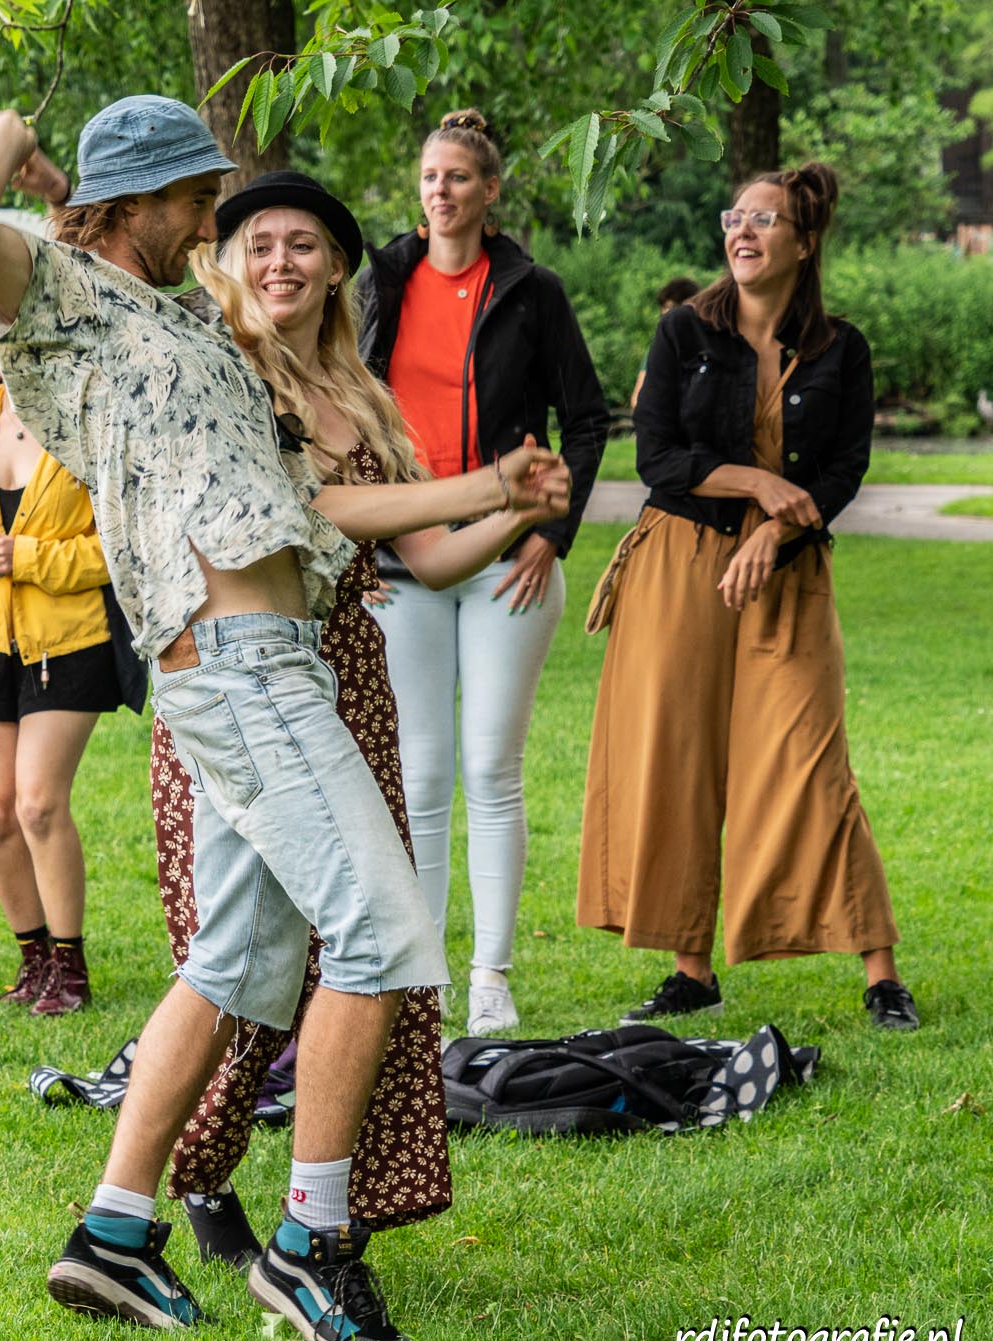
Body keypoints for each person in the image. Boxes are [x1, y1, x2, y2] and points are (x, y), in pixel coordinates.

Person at [0, 98, 568, 1341]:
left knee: (236, 964)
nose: (208, 218)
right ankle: (309, 1245)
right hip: (235, 664)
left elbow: (325, 501)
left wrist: (496, 489)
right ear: (138, 200)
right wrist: (18, 136)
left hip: (273, 659)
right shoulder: (60, 298)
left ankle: (113, 1231)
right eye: (192, 197)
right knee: (380, 930)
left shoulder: (174, 317)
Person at [152, 171, 571, 1265]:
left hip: (351, 683)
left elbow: (423, 555)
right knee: (253, 959)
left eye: (301, 244)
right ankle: (200, 1174)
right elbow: (310, 508)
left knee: (358, 950)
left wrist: (518, 512)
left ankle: (334, 1200)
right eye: (257, 244)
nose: (278, 262)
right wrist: (484, 485)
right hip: (248, 683)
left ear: (337, 267)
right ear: (228, 262)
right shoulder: (230, 376)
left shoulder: (359, 392)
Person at [576, 163, 920, 1033]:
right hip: (680, 562)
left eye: (764, 220)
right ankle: (691, 970)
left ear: (804, 244)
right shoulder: (683, 332)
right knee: (679, 758)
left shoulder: (841, 348)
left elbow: (843, 470)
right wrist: (759, 486)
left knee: (811, 760)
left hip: (788, 573)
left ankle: (881, 971)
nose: (743, 231)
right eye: (736, 217)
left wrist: (776, 530)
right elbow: (657, 458)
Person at [357, 110, 610, 1034]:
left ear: (490, 192)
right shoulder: (381, 281)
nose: (442, 190)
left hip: (510, 561)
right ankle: (422, 977)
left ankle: (490, 979)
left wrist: (554, 533)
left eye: (459, 177)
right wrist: (359, 545)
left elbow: (588, 418)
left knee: (492, 768)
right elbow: (345, 409)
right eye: (431, 176)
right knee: (420, 775)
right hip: (405, 558)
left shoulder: (532, 291)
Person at [0, 342, 144, 1015]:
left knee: (38, 805)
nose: (9, 339)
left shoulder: (89, 421)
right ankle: (34, 961)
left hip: (67, 643)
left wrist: (29, 558)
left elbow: (122, 544)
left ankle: (71, 971)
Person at [629, 276, 700, 411]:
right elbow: (637, 399)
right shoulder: (659, 349)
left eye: (672, 309)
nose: (666, 316)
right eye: (664, 310)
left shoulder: (709, 348)